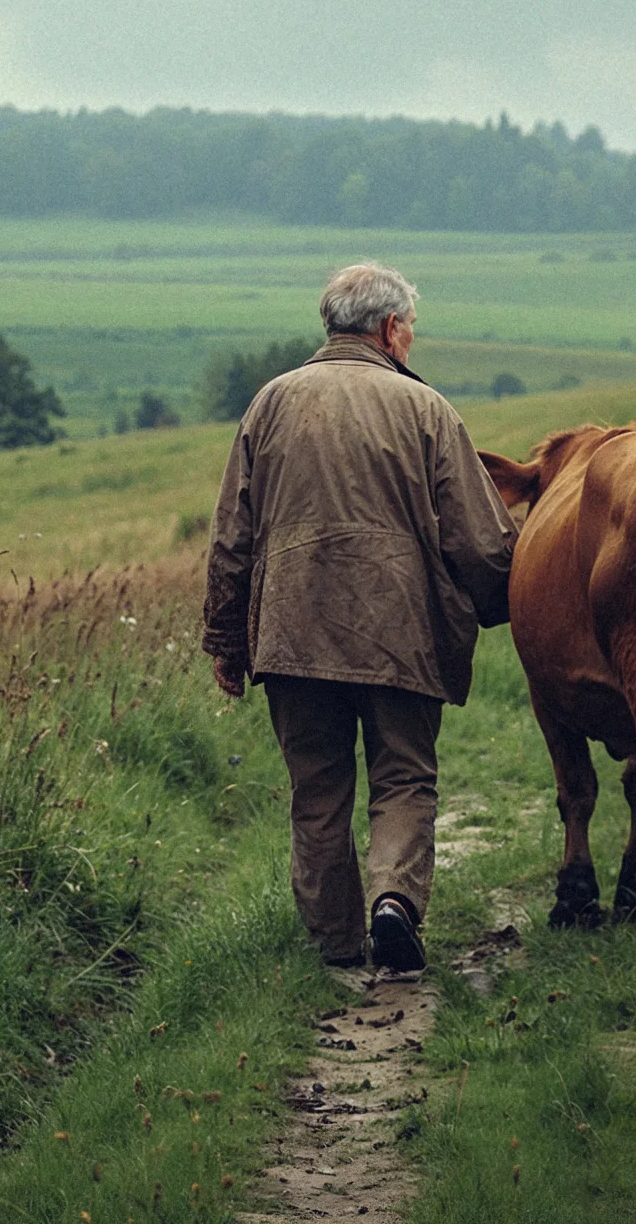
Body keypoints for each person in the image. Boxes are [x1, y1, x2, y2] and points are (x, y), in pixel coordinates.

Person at [202, 262, 518, 972]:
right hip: (400, 633)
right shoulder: (425, 409)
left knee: (317, 788)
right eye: (411, 327)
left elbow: (231, 535)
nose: (412, 338)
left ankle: (338, 946)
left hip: (291, 631)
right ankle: (394, 903)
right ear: (389, 328)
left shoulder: (270, 403)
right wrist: (507, 607)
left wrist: (226, 639)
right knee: (403, 774)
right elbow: (479, 538)